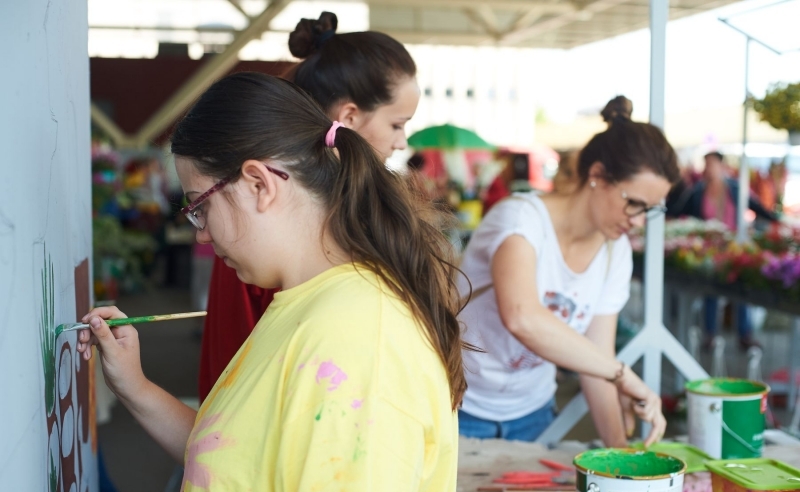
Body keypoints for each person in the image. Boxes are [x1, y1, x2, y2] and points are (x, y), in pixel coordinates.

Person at [77, 72, 464, 492]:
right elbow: (238, 465)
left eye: (200, 206)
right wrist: (135, 387)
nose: (200, 232)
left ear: (260, 183)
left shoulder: (356, 347)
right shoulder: (307, 305)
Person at [197, 12, 420, 401]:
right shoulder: (265, 221)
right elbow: (235, 375)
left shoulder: (281, 213)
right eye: (397, 124)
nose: (401, 142)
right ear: (349, 116)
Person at [457, 98, 678, 447]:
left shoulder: (614, 250)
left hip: (534, 414)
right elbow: (522, 317)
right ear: (598, 176)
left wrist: (621, 457)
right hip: (459, 408)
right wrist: (621, 374)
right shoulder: (520, 220)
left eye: (649, 210)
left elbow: (595, 360)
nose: (637, 220)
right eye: (633, 202)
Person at [679, 151, 777, 350]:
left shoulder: (734, 187)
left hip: (735, 247)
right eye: (706, 164)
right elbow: (680, 209)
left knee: (740, 291)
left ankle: (744, 334)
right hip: (709, 249)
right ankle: (710, 334)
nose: (709, 168)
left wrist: (777, 220)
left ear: (721, 166)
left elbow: (756, 207)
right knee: (711, 291)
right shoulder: (698, 191)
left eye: (712, 164)